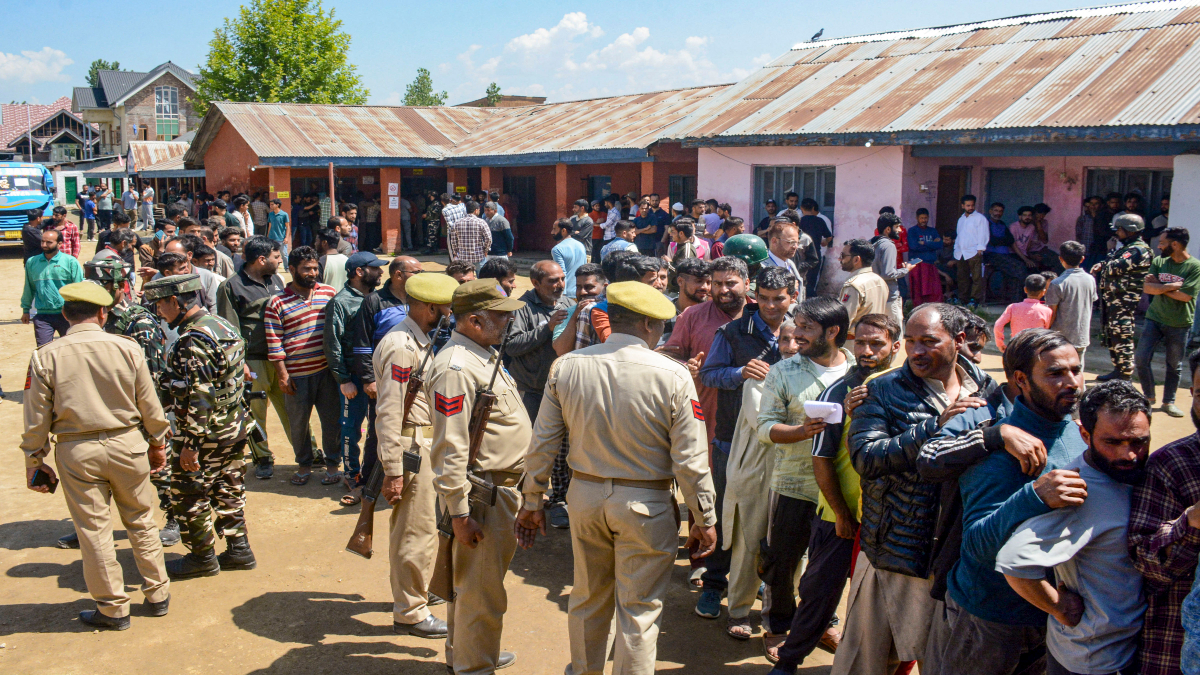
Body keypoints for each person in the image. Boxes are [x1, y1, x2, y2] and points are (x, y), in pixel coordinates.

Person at [515, 281, 717, 675]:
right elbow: (691, 460)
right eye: (660, 324)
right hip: (646, 503)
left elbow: (542, 443)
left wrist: (532, 500)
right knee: (639, 611)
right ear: (646, 324)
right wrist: (703, 516)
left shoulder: (568, 365)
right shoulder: (673, 375)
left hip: (585, 496)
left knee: (588, 598)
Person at [832, 303, 988, 675]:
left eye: (929, 341)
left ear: (959, 340)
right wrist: (936, 427)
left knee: (943, 660)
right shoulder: (882, 390)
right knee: (867, 661)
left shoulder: (985, 387)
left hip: (956, 555)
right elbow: (867, 458)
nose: (917, 351)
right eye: (912, 342)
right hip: (895, 551)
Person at [929, 328, 1086, 674]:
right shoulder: (1001, 446)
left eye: (1076, 369)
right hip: (990, 616)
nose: (1072, 382)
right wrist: (1034, 496)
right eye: (1056, 373)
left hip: (1053, 617)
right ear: (1021, 379)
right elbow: (978, 545)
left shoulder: (1078, 433)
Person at [22, 281, 172, 630]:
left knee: (93, 530)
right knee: (141, 520)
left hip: (77, 450)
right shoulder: (127, 347)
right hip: (128, 444)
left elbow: (36, 418)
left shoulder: (46, 355)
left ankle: (113, 608)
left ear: (64, 314)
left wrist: (35, 460)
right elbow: (150, 404)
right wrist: (157, 444)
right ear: (103, 313)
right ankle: (158, 593)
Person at [767, 313, 899, 673]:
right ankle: (790, 659)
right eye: (862, 343)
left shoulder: (904, 388)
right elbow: (822, 458)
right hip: (839, 515)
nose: (868, 350)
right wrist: (841, 512)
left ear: (895, 348)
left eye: (877, 344)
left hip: (891, 518)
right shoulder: (837, 393)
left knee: (882, 601)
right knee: (818, 592)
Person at [997, 380, 1150, 675]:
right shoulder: (1078, 490)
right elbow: (1013, 561)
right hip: (1094, 660)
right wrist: (1058, 607)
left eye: (1138, 441)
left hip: (1124, 649)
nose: (1128, 454)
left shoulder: (1126, 476)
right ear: (1084, 434)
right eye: (1113, 442)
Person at [427, 280, 530, 673]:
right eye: (501, 316)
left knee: (473, 586)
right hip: (482, 494)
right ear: (473, 320)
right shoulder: (456, 367)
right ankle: (475, 666)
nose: (508, 322)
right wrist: (458, 512)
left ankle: (471, 654)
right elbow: (450, 448)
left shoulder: (481, 354)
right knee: (481, 590)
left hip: (495, 488)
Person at [696, 267, 797, 631]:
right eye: (765, 298)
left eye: (779, 299)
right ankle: (714, 585)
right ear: (755, 295)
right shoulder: (734, 331)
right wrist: (740, 373)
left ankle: (760, 587)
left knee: (774, 525)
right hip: (733, 441)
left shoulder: (804, 331)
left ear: (793, 296)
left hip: (789, 448)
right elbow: (709, 374)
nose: (771, 306)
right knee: (730, 517)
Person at [755, 297, 853, 658]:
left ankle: (821, 624)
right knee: (781, 563)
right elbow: (765, 428)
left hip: (840, 492)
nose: (797, 334)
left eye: (807, 327)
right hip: (793, 484)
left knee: (828, 569)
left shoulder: (856, 372)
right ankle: (778, 626)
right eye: (797, 325)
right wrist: (803, 431)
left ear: (833, 331)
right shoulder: (783, 371)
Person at [144, 274, 255, 580]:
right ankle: (239, 549)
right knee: (229, 486)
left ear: (175, 301)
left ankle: (201, 557)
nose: (158, 311)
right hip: (233, 426)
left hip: (205, 434)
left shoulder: (193, 340)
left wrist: (190, 444)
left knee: (189, 494)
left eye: (160, 304)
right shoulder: (222, 326)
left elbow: (199, 395)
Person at [373, 272, 459, 640]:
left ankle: (417, 594)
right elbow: (390, 409)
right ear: (429, 307)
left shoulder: (419, 339)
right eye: (446, 308)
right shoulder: (402, 346)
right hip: (410, 445)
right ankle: (410, 611)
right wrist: (393, 468)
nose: (450, 314)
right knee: (415, 531)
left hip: (424, 442)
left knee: (426, 528)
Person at [1131, 349, 1200, 675]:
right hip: (1175, 648)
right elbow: (1145, 561)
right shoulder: (1171, 465)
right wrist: (1192, 522)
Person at [264, 247, 340, 486]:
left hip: (327, 372)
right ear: (293, 269)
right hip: (296, 375)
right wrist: (283, 376)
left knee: (332, 421)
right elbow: (274, 342)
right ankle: (305, 464)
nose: (313, 273)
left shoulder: (329, 293)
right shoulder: (276, 302)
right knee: (298, 424)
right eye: (307, 269)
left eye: (315, 268)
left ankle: (332, 465)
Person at [215, 236, 289, 479]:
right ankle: (263, 456)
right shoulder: (231, 287)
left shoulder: (276, 280)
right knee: (256, 412)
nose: (279, 262)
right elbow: (230, 328)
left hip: (280, 358)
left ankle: (306, 449)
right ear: (261, 259)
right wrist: (241, 363)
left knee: (292, 408)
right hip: (253, 360)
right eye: (276, 258)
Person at [508, 261, 574, 528]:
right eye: (552, 281)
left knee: (563, 447)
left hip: (564, 389)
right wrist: (546, 329)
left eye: (561, 279)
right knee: (535, 446)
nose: (559, 285)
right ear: (535, 283)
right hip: (533, 390)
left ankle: (559, 499)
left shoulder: (570, 303)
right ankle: (529, 498)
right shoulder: (521, 308)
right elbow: (511, 346)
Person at [351, 256, 423, 491]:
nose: (421, 277)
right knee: (378, 431)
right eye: (416, 272)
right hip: (385, 380)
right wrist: (369, 379)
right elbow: (362, 344)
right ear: (398, 275)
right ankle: (368, 482)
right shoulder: (374, 302)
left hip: (417, 379)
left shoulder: (421, 299)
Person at [323, 252, 387, 498]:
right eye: (375, 268)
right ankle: (352, 474)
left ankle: (374, 471)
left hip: (376, 375)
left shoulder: (376, 299)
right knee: (351, 428)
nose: (381, 272)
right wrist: (344, 379)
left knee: (377, 426)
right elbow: (333, 344)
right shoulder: (341, 302)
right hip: (354, 379)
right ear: (359, 271)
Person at [1138, 227, 1200, 417]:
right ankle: (1148, 398)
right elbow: (1147, 288)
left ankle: (1168, 402)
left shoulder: (1194, 267)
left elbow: (1185, 296)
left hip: (1179, 323)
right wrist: (1171, 286)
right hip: (1154, 318)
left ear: (1175, 244)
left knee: (1174, 364)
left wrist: (1160, 286)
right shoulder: (1159, 261)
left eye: (1162, 243)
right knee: (1141, 358)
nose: (1158, 246)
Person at [1091, 213, 1153, 382]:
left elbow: (1115, 268)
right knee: (1113, 335)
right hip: (1115, 299)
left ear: (1129, 231)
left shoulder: (1136, 250)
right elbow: (1112, 264)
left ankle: (1125, 374)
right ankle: (1118, 369)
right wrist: (1102, 264)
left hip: (1124, 300)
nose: (1117, 233)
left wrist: (1109, 251)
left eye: (1119, 230)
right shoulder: (1127, 248)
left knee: (1122, 334)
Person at [21, 228, 84, 346]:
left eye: (49, 242)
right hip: (42, 316)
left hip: (67, 315)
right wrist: (26, 310)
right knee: (43, 350)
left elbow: (79, 288)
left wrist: (79, 313)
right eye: (42, 242)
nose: (44, 245)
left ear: (60, 243)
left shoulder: (70, 262)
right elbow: (29, 287)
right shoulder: (32, 262)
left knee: (71, 349)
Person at [1046, 241, 1097, 371]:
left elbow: (1052, 313)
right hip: (1081, 335)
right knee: (1077, 373)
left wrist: (1044, 332)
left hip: (1060, 338)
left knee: (1059, 373)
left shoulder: (1057, 283)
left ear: (1060, 259)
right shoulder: (1090, 279)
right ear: (1082, 259)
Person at [837, 238, 888, 340]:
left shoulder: (854, 285)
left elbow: (843, 320)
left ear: (856, 260)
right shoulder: (879, 280)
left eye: (842, 256)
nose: (839, 259)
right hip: (874, 339)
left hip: (853, 342)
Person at [872, 213, 914, 333]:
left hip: (876, 295)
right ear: (888, 229)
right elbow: (888, 274)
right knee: (895, 332)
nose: (900, 230)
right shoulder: (889, 245)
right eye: (897, 227)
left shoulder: (873, 242)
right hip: (889, 296)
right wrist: (906, 269)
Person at [993, 274, 1054, 352]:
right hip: (1035, 349)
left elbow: (998, 325)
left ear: (1025, 289)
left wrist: (1000, 343)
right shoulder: (1047, 311)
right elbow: (1045, 330)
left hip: (1016, 346)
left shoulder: (1013, 307)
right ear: (1043, 292)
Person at [955, 194, 989, 308]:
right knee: (962, 277)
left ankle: (974, 300)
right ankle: (963, 299)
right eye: (968, 205)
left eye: (972, 205)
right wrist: (956, 248)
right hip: (961, 252)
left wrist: (980, 248)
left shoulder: (980, 218)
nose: (970, 208)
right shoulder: (961, 219)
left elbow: (984, 234)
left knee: (976, 277)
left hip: (974, 251)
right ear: (963, 206)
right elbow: (959, 235)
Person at [907, 208, 943, 306]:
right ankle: (918, 310)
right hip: (916, 264)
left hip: (930, 263)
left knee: (933, 291)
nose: (924, 220)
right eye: (922, 218)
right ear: (917, 218)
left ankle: (933, 309)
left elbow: (939, 244)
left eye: (926, 218)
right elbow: (913, 246)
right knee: (918, 290)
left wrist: (924, 243)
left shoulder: (933, 230)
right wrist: (931, 245)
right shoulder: (912, 231)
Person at [552, 218, 589, 299]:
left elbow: (562, 273)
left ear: (563, 231)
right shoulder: (581, 245)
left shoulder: (557, 249)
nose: (552, 232)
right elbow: (585, 268)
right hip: (581, 292)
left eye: (554, 229)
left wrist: (562, 295)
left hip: (567, 294)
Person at [447, 200, 491, 268]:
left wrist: (455, 253)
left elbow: (453, 241)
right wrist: (486, 250)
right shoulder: (481, 222)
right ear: (476, 210)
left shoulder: (457, 223)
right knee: (481, 277)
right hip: (478, 256)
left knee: (466, 277)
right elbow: (488, 238)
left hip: (463, 258)